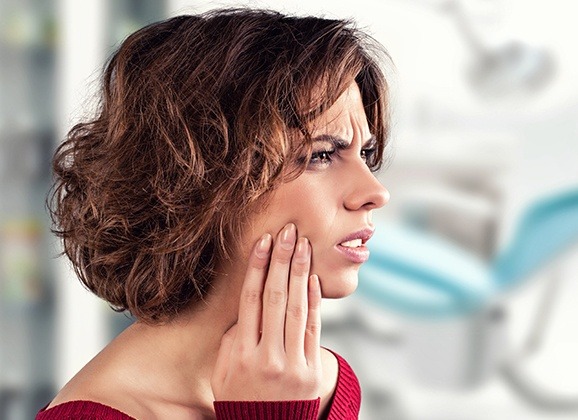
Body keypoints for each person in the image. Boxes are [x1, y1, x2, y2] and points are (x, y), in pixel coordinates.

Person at [37, 8, 391, 419]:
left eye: (364, 153)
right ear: (202, 179)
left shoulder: (322, 383)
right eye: (322, 155)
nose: (375, 193)